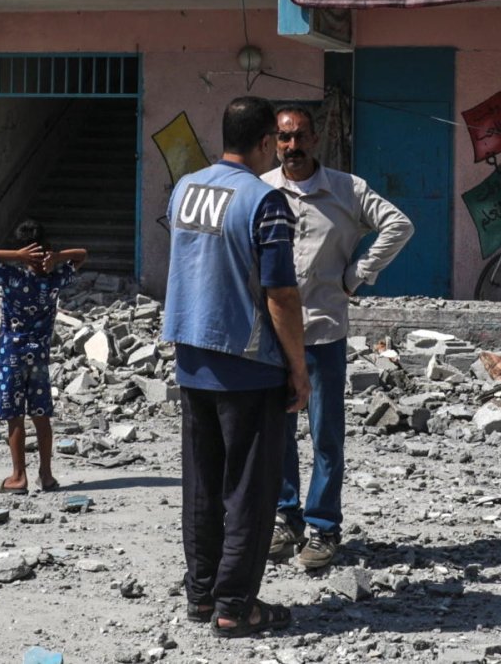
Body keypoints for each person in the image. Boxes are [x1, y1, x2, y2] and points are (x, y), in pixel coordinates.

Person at [163, 94, 308, 639]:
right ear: (268, 141)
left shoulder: (185, 188)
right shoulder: (266, 202)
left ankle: (201, 596)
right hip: (248, 363)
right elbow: (281, 295)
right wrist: (299, 368)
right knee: (250, 489)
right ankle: (234, 606)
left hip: (191, 356)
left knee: (201, 485)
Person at [263, 106, 415, 570]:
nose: (293, 147)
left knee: (325, 435)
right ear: (274, 142)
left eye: (301, 137)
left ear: (316, 139)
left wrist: (356, 276)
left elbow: (399, 225)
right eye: (285, 139)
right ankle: (285, 520)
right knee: (278, 434)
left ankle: (324, 529)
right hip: (271, 335)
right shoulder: (263, 189)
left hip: (323, 333)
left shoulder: (348, 190)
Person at [0, 220, 88, 494]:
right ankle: (46, 476)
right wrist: (58, 257)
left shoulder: (13, 277)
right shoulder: (55, 280)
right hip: (38, 359)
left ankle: (18, 477)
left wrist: (17, 256)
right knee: (41, 416)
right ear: (47, 249)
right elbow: (82, 255)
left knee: (15, 417)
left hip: (11, 355)